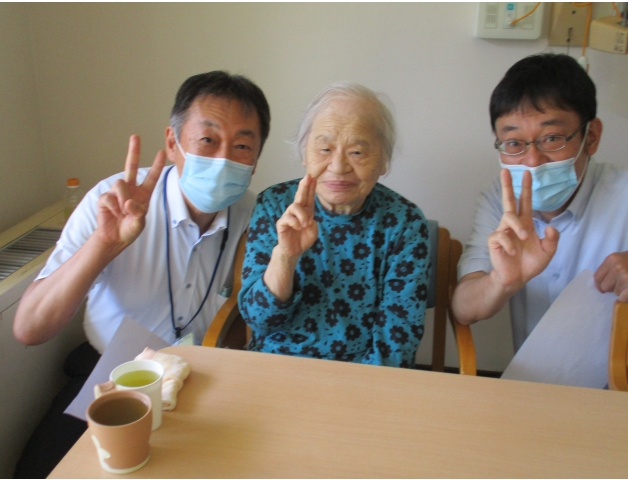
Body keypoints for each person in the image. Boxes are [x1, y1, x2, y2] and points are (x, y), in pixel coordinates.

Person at [12, 70, 270, 478]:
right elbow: (30, 328)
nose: (223, 160)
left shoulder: (258, 217)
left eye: (242, 146)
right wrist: (104, 244)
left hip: (205, 383)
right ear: (172, 142)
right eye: (207, 140)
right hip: (111, 376)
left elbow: (248, 317)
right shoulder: (113, 202)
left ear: (254, 162)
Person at [452, 53, 628, 353]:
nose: (532, 161)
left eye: (551, 138)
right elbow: (464, 309)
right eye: (514, 144)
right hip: (533, 380)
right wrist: (501, 281)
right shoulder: (498, 199)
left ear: (591, 137)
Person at [238, 82, 433, 368]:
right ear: (304, 153)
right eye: (325, 149)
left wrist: (356, 390)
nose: (339, 166)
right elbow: (260, 321)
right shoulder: (274, 206)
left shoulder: (405, 223)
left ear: (383, 161)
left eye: (357, 152)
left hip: (364, 376)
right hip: (277, 368)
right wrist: (285, 258)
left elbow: (398, 341)